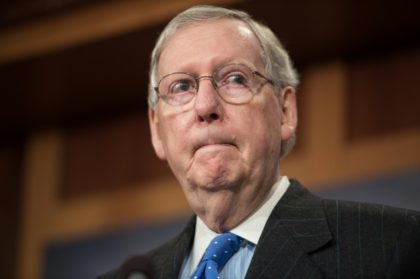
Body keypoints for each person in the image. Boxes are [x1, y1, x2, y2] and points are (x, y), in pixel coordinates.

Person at [99, 5, 420, 279]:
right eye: (182, 87)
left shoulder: (395, 245)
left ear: (284, 110)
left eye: (235, 79)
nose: (205, 106)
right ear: (157, 130)